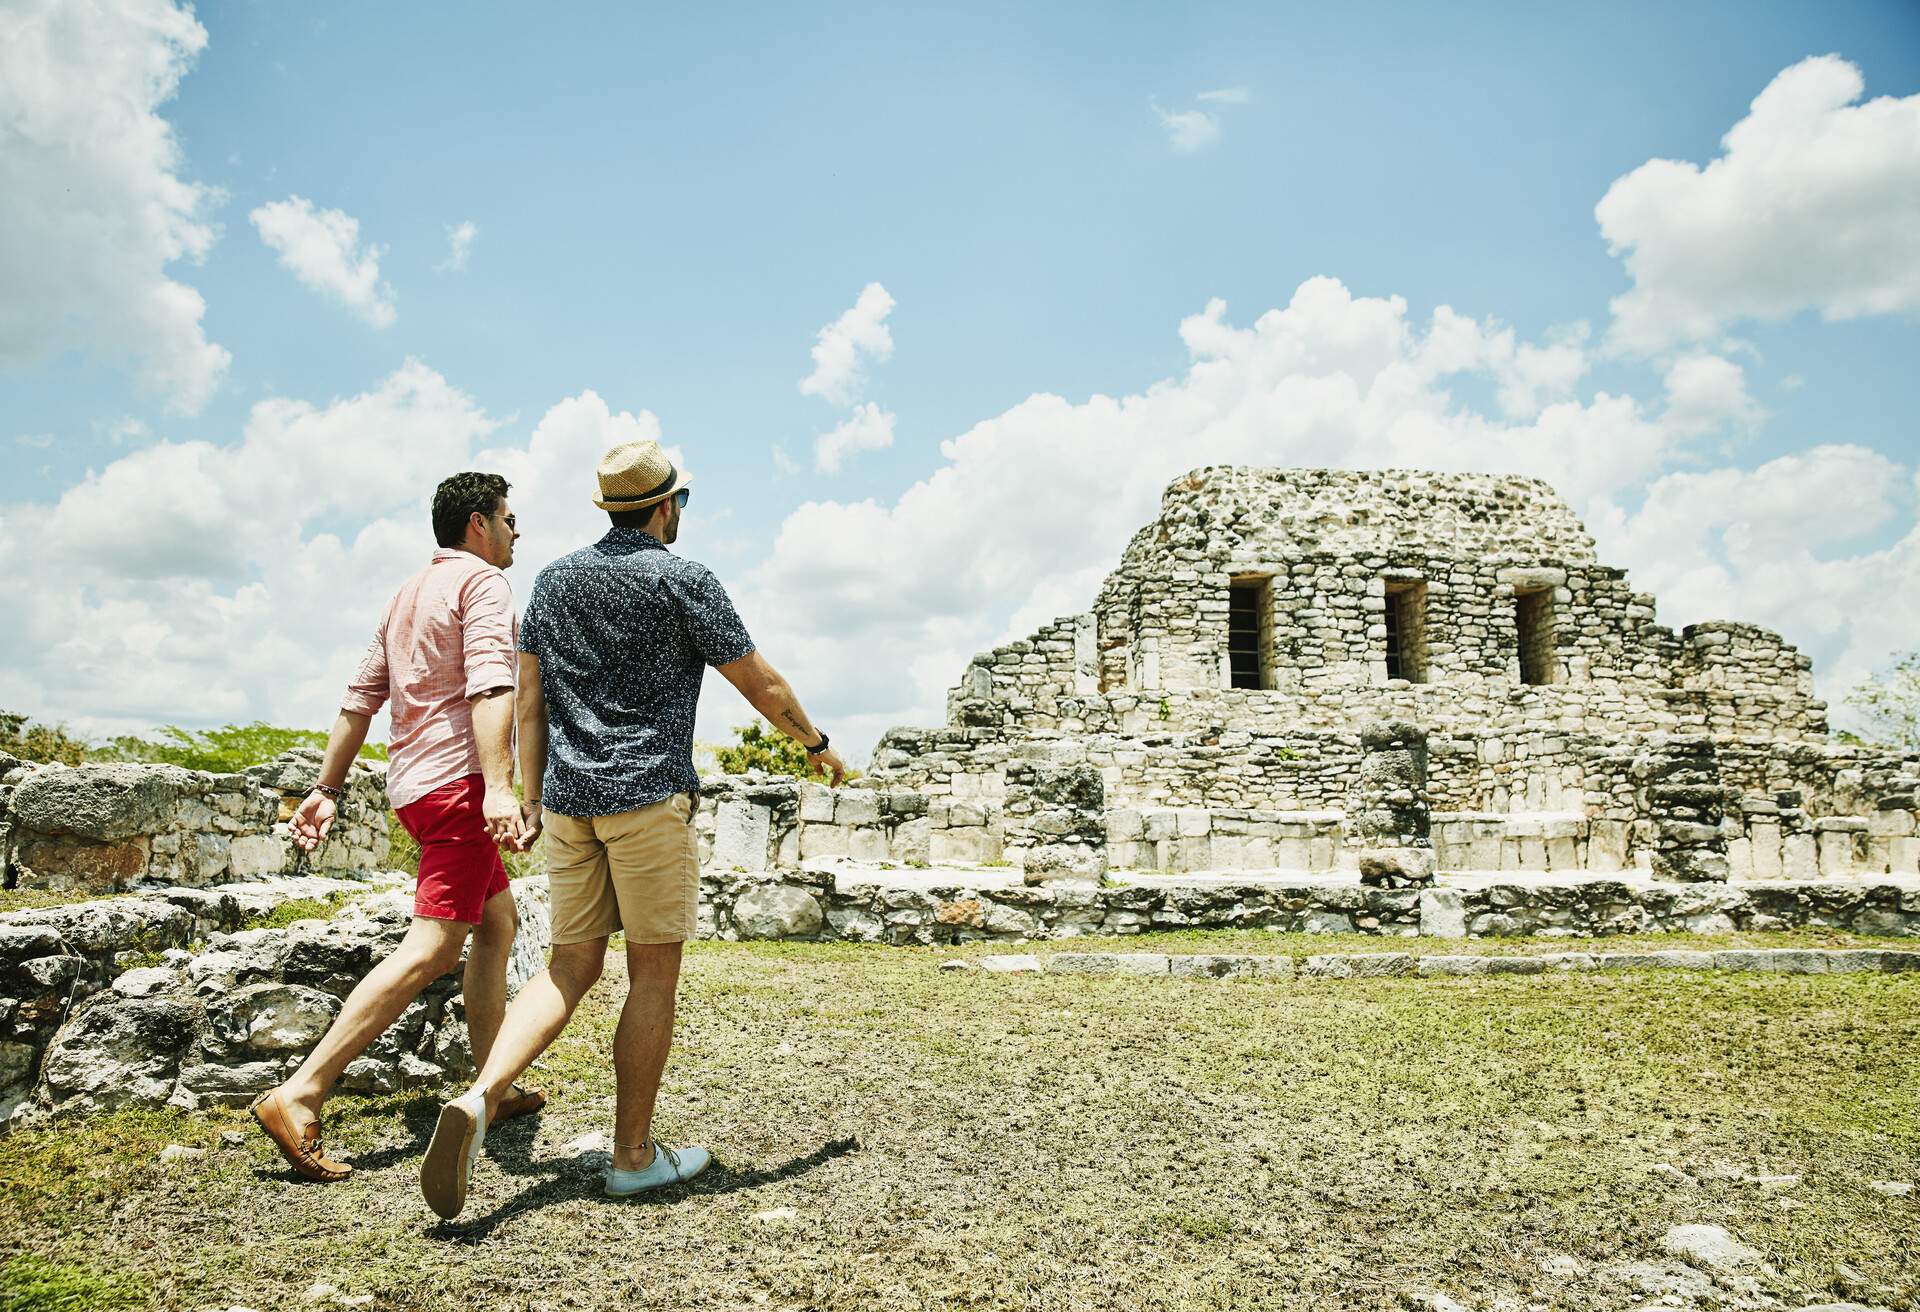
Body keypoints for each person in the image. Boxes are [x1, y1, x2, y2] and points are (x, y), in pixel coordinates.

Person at [419, 439, 849, 1219]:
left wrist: (530, 794)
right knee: (652, 976)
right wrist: (816, 744)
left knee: (565, 968)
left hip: (571, 804)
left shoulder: (552, 581)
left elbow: (528, 701)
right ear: (663, 506)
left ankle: (481, 1095)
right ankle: (632, 1158)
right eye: (680, 501)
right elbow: (761, 682)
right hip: (647, 801)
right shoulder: (683, 580)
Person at [250, 472, 545, 1182]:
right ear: (479, 524)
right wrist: (500, 789)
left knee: (497, 924)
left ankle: (489, 1087)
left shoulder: (407, 593)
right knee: (434, 947)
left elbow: (359, 701)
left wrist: (326, 788)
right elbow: (492, 685)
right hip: (460, 787)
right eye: (510, 519)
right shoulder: (483, 585)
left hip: (414, 788)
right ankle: (301, 1092)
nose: (516, 533)